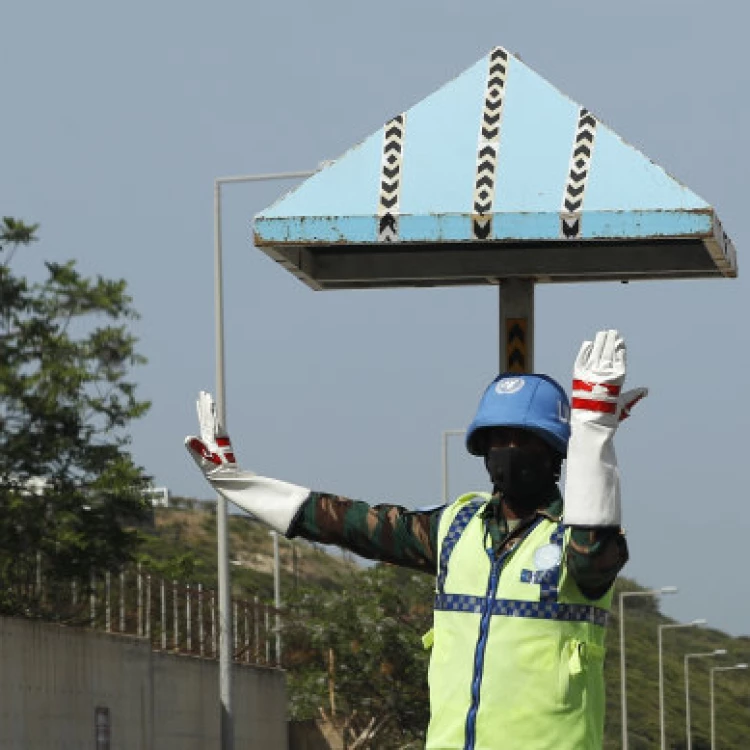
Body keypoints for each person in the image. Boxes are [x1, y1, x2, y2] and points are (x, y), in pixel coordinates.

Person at [185, 329, 647, 750]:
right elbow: (343, 521)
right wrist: (237, 483)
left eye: (521, 439)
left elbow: (592, 551)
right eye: (495, 440)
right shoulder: (454, 528)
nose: (505, 452)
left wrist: (592, 432)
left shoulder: (576, 541)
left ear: (554, 453)